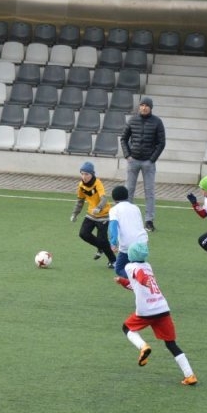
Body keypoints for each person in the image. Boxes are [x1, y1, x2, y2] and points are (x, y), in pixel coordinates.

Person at [114, 241, 197, 385]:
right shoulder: (148, 266)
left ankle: (143, 347)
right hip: (162, 308)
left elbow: (140, 277)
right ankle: (190, 375)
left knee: (126, 328)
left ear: (131, 255)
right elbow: (136, 285)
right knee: (171, 343)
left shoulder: (129, 266)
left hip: (146, 310)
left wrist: (143, 280)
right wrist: (122, 281)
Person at [119, 95, 166, 233]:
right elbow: (123, 139)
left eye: (146, 106)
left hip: (148, 162)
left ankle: (149, 221)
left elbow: (161, 143)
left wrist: (152, 159)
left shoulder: (157, 122)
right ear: (139, 106)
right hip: (133, 161)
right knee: (129, 191)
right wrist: (127, 155)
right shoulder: (132, 120)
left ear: (150, 108)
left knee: (149, 192)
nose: (144, 108)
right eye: (142, 105)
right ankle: (127, 219)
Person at [70, 161, 116, 268]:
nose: (84, 176)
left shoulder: (97, 183)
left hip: (103, 215)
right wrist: (75, 214)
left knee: (103, 240)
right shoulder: (81, 185)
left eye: (86, 174)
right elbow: (80, 201)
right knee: (83, 234)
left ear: (92, 174)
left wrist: (98, 208)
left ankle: (113, 261)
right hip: (91, 214)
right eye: (82, 174)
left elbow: (104, 198)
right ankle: (100, 247)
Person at [108, 185, 148, 278]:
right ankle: (141, 277)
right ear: (127, 196)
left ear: (114, 199)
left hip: (128, 245)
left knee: (119, 269)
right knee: (137, 266)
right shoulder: (135, 207)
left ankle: (139, 278)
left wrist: (113, 243)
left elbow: (113, 226)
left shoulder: (114, 210)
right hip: (142, 242)